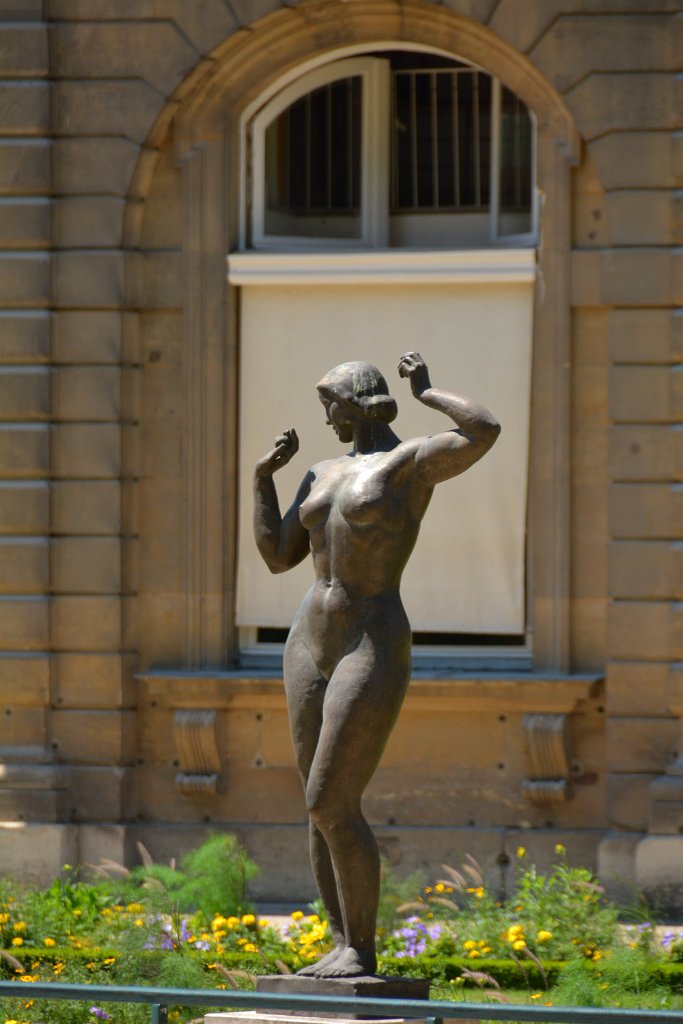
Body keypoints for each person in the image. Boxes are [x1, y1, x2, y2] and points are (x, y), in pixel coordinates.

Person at [253, 351, 500, 978]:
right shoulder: (320, 471)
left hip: (372, 637)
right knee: (316, 806)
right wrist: (262, 478)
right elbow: (278, 557)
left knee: (332, 799)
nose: (326, 416)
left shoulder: (409, 463)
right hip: (309, 641)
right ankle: (338, 943)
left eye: (330, 403)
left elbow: (483, 430)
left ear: (358, 400)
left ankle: (361, 950)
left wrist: (426, 391)